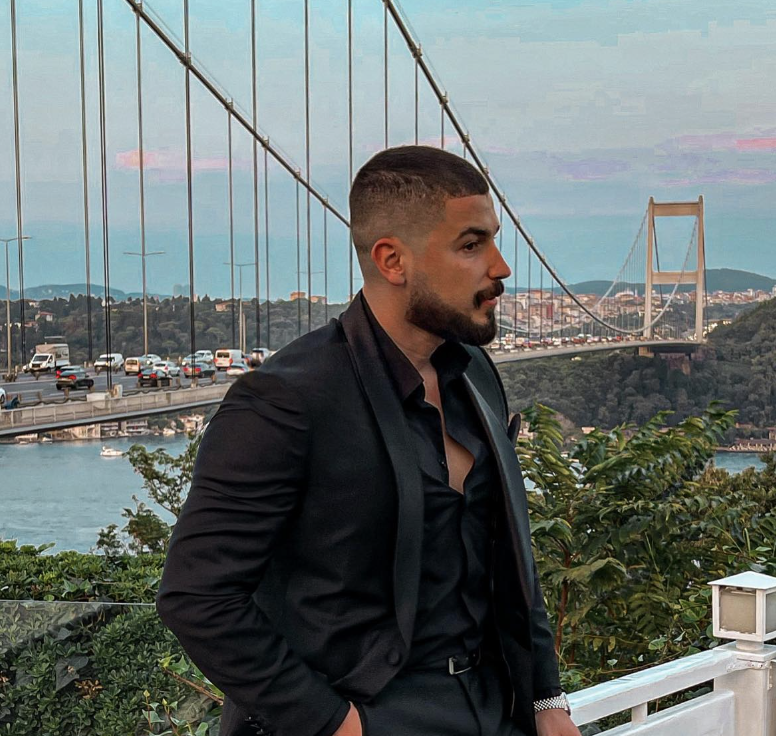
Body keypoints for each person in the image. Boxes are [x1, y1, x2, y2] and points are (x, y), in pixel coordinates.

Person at [157, 145, 580, 736]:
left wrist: (545, 699)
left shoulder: (477, 375)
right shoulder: (284, 400)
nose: (501, 266)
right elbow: (197, 596)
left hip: (494, 710)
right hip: (369, 717)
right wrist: (331, 723)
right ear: (392, 260)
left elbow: (512, 563)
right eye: (471, 244)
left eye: (494, 241)